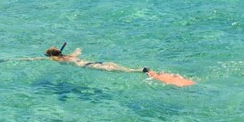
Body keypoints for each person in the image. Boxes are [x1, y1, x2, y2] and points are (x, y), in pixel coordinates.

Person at [40, 43, 196, 86]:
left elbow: (57, 59)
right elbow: (77, 52)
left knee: (123, 71)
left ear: (53, 56)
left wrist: (50, 58)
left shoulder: (61, 59)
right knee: (121, 69)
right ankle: (141, 70)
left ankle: (143, 71)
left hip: (92, 66)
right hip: (96, 63)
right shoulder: (68, 56)